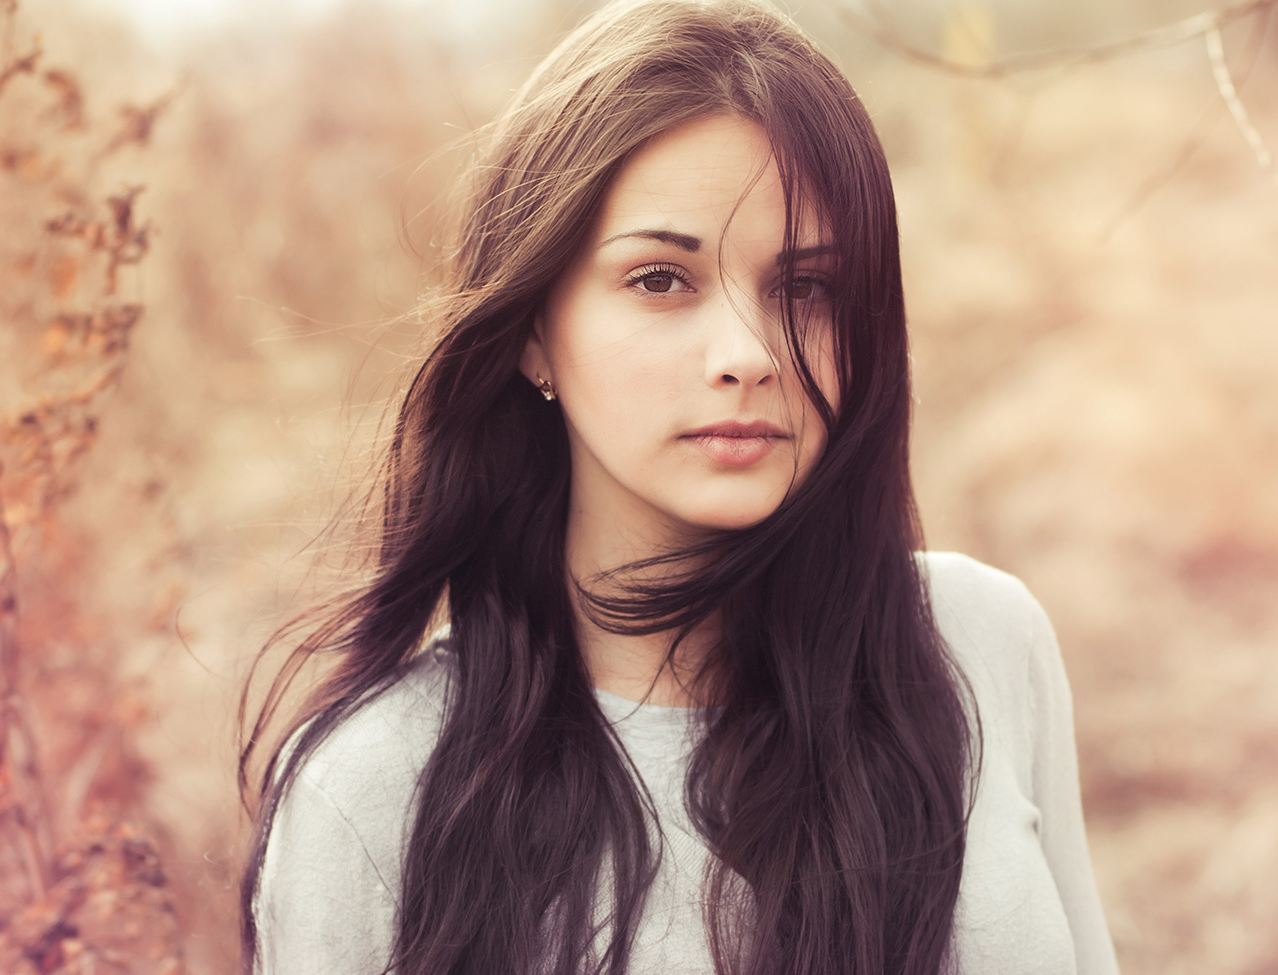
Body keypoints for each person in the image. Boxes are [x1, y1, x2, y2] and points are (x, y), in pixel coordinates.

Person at [238, 1, 1119, 973]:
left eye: (806, 288)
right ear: (533, 327)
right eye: (659, 280)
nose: (746, 355)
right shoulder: (374, 785)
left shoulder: (978, 644)